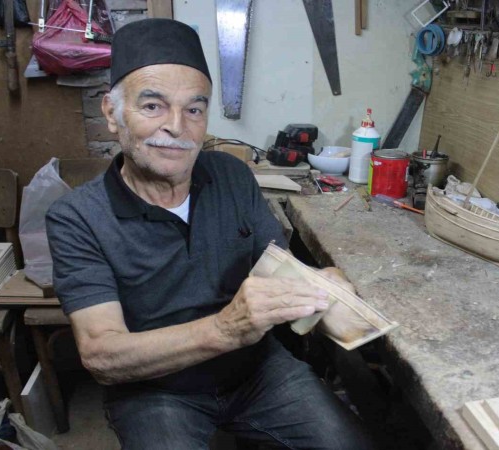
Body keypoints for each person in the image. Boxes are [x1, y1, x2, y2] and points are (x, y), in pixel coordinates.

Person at [45, 18, 374, 450]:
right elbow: (102, 355)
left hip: (256, 370)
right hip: (156, 390)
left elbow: (279, 269)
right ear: (112, 112)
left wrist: (320, 286)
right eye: (153, 106)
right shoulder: (77, 217)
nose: (176, 126)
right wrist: (225, 330)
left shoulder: (231, 176)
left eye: (194, 110)